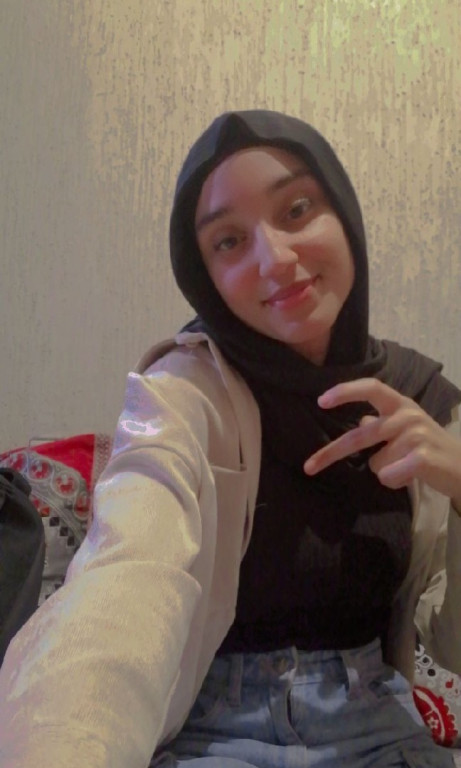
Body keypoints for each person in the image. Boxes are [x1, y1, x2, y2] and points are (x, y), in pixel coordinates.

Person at [1, 110, 461, 768]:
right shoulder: (183, 394)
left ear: (343, 214)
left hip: (376, 722)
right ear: (204, 276)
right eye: (228, 241)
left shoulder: (422, 402)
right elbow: (124, 576)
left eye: (297, 209)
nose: (275, 259)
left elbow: (450, 646)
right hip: (215, 729)